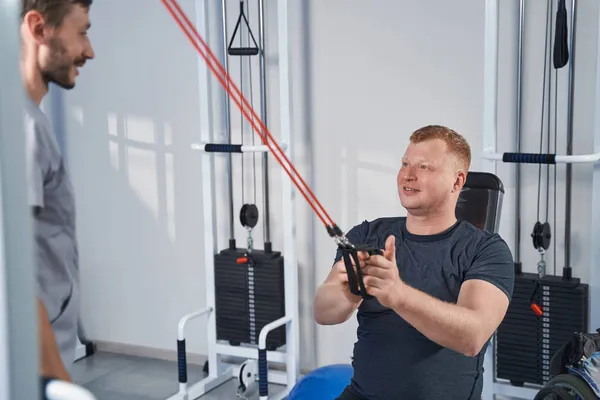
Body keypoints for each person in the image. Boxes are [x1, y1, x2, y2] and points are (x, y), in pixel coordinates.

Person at [313, 125, 515, 400]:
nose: (408, 175)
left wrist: (398, 295)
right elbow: (324, 313)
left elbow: (472, 337)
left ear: (457, 182)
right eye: (405, 163)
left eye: (425, 167)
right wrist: (348, 289)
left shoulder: (486, 250)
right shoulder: (366, 235)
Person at [20, 0, 95, 381]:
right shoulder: (22, 128)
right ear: (38, 29)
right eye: (81, 31)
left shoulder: (31, 120)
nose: (89, 51)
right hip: (37, 373)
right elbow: (12, 278)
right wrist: (60, 383)